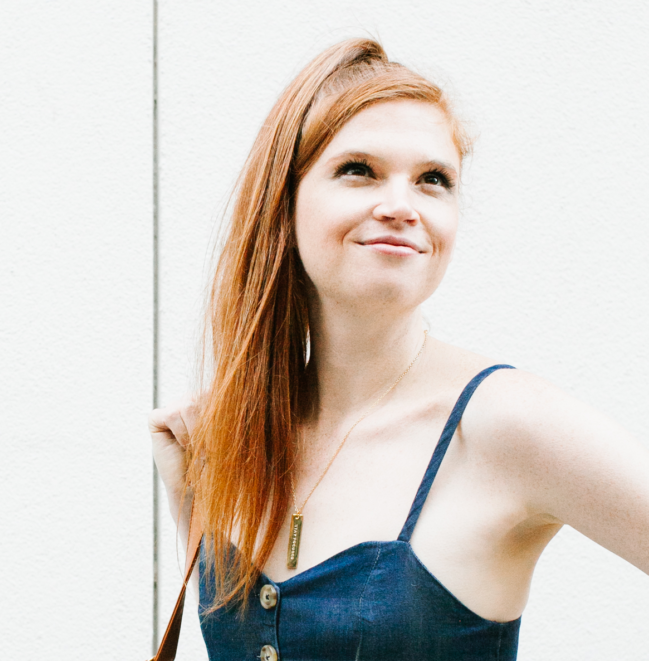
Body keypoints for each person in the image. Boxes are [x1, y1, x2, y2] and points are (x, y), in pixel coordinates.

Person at [148, 38, 649, 660]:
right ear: (284, 201)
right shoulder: (229, 436)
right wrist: (192, 495)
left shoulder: (505, 423)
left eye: (433, 180)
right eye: (359, 170)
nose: (400, 207)